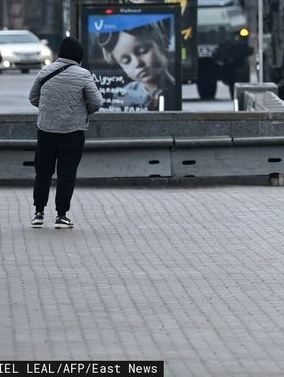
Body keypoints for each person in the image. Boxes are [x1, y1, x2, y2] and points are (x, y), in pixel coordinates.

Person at [29, 36, 103, 230]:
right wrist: (80, 111)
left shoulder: (45, 71)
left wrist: (49, 110)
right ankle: (61, 216)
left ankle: (38, 213)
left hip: (46, 130)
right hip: (73, 132)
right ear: (79, 55)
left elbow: (33, 98)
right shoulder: (83, 74)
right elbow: (97, 102)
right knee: (66, 174)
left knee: (43, 172)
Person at [97, 24, 176, 111]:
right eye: (126, 61)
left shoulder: (176, 88)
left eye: (143, 51)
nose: (137, 63)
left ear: (165, 43)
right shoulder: (126, 93)